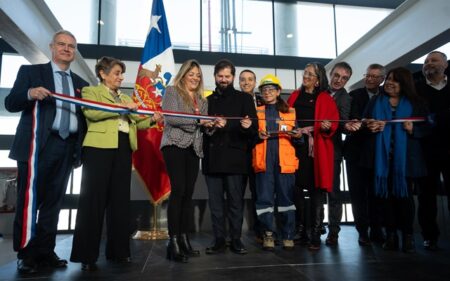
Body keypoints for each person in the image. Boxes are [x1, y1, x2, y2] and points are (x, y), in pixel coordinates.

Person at [5, 30, 89, 274]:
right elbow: (10, 103)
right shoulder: (31, 73)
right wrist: (30, 93)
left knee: (54, 203)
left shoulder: (81, 84)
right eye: (62, 44)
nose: (66, 49)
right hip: (36, 148)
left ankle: (45, 250)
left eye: (71, 46)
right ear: (52, 47)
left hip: (66, 148)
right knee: (28, 202)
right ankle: (27, 254)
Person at [70, 56, 161, 271]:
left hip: (123, 149)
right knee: (93, 200)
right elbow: (92, 113)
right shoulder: (90, 92)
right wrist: (122, 108)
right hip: (98, 149)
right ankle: (87, 256)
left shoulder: (124, 97)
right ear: (102, 73)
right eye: (117, 73)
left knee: (120, 201)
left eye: (121, 73)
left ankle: (119, 252)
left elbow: (138, 121)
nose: (121, 77)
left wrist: (153, 119)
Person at [361, 67, 429, 253]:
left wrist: (413, 130)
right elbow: (364, 122)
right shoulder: (376, 100)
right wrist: (370, 126)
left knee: (405, 199)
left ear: (404, 83)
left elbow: (429, 126)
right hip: (382, 161)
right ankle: (390, 235)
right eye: (389, 79)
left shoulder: (416, 103)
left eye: (395, 80)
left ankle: (408, 236)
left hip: (406, 161)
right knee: (386, 199)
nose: (390, 82)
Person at [160, 59, 218, 263]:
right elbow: (171, 118)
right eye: (191, 74)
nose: (195, 78)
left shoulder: (203, 100)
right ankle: (173, 242)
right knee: (178, 191)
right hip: (174, 145)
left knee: (187, 194)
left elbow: (203, 127)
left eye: (198, 75)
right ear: (183, 74)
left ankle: (184, 239)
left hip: (194, 148)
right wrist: (198, 121)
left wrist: (212, 124)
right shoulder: (172, 91)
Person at [203, 59, 257, 255]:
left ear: (233, 77)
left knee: (236, 203)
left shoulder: (244, 99)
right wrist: (208, 127)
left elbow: (254, 130)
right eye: (220, 76)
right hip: (212, 160)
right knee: (216, 205)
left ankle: (236, 239)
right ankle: (218, 240)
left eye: (227, 76)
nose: (223, 79)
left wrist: (244, 126)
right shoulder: (207, 101)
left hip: (236, 160)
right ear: (215, 77)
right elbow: (202, 130)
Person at [287, 62, 339, 250]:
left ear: (318, 81)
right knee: (297, 190)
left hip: (317, 149)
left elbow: (333, 123)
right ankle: (301, 230)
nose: (306, 76)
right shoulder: (294, 95)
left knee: (316, 190)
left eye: (310, 74)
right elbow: (286, 119)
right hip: (297, 148)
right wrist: (294, 131)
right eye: (305, 72)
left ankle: (316, 232)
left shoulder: (326, 98)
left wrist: (326, 127)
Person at [253, 74, 302, 251]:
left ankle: (288, 235)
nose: (267, 92)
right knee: (264, 200)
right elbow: (249, 137)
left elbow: (299, 140)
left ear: (279, 91)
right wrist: (256, 136)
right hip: (264, 162)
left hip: (285, 163)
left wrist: (298, 136)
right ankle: (268, 235)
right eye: (264, 90)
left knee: (286, 200)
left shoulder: (290, 112)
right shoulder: (256, 112)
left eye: (271, 89)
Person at [344, 63, 386, 246]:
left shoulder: (386, 95)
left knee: (377, 194)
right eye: (368, 75)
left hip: (378, 153)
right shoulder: (355, 95)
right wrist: (364, 123)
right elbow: (350, 118)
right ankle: (362, 231)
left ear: (382, 79)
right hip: (356, 152)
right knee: (357, 194)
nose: (370, 79)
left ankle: (377, 229)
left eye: (375, 76)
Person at [415, 51, 450, 250]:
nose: (429, 63)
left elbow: (429, 119)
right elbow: (419, 119)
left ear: (445, 65)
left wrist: (434, 119)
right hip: (425, 151)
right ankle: (430, 236)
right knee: (426, 196)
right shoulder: (416, 91)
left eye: (434, 60)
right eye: (426, 61)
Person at [323, 62, 352, 246]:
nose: (339, 80)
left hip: (333, 150)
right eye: (336, 75)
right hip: (314, 149)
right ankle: (314, 227)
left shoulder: (346, 98)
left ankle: (333, 231)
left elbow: (343, 123)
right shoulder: (318, 92)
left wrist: (344, 126)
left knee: (333, 193)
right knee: (314, 192)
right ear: (330, 73)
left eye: (344, 78)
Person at [239, 69, 263, 242]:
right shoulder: (235, 101)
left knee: (259, 193)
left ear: (255, 82)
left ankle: (261, 230)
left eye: (250, 80)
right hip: (240, 154)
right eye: (242, 80)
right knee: (237, 194)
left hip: (260, 153)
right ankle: (235, 234)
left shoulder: (264, 101)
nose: (246, 83)